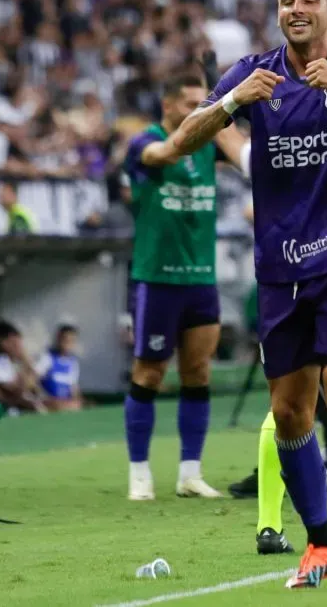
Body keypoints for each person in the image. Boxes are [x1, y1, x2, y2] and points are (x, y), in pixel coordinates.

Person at [161, 0, 327, 589]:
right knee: (289, 410)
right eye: (285, 1)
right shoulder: (254, 73)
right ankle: (318, 545)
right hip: (281, 265)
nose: (295, 8)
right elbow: (181, 141)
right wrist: (232, 102)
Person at [122, 72, 246, 502]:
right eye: (191, 103)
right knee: (150, 373)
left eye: (203, 102)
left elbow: (250, 153)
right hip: (158, 279)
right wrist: (213, 115)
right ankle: (139, 473)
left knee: (198, 372)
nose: (198, 110)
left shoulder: (211, 144)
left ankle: (190, 473)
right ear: (168, 106)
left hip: (201, 279)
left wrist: (226, 111)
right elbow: (165, 152)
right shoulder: (145, 142)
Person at [36, 324, 83, 412]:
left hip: (65, 405)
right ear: (58, 339)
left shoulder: (73, 362)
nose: (68, 344)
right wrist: (45, 398)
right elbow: (32, 381)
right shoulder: (47, 358)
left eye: (71, 341)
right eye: (65, 340)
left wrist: (78, 401)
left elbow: (74, 388)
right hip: (49, 404)